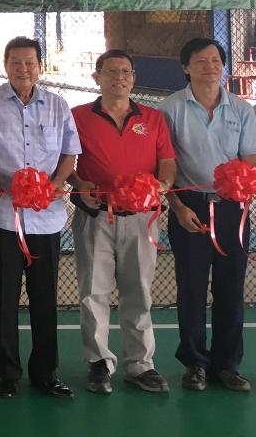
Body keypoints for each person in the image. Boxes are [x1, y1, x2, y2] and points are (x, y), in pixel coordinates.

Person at [0, 35, 79, 399]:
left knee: (45, 297)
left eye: (30, 62)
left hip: (46, 218)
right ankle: (8, 373)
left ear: (39, 66)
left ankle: (46, 373)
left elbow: (69, 153)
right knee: (4, 297)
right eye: (15, 62)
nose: (23, 68)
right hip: (1, 215)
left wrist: (56, 184)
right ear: (5, 65)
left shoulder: (58, 105)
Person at [69, 49, 176, 395]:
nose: (120, 77)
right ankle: (99, 363)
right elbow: (66, 163)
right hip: (95, 217)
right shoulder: (77, 116)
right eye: (112, 71)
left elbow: (167, 162)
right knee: (92, 293)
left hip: (141, 219)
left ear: (133, 78)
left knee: (138, 292)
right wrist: (78, 183)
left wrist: (162, 185)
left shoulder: (153, 118)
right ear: (96, 77)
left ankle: (141, 364)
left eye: (126, 72)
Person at [162, 36, 256, 393]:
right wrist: (178, 206)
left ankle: (227, 365)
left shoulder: (242, 109)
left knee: (231, 287)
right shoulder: (170, 108)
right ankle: (194, 363)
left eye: (216, 60)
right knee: (191, 288)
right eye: (201, 61)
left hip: (232, 207)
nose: (210, 66)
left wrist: (242, 191)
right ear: (186, 67)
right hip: (189, 205)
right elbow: (164, 165)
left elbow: (251, 161)